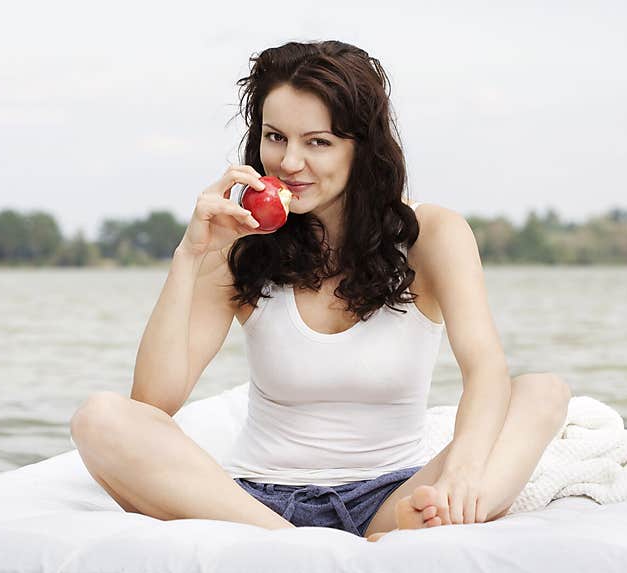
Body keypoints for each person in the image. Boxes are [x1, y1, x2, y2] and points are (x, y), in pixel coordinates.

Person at [69, 40, 571, 541]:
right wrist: (190, 256)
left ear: (362, 147)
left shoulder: (433, 235)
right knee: (101, 419)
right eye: (275, 137)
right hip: (251, 502)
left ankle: (401, 527)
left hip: (393, 498)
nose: (288, 162)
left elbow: (485, 370)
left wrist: (463, 471)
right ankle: (299, 547)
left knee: (541, 393)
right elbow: (153, 402)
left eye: (318, 142)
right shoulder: (241, 240)